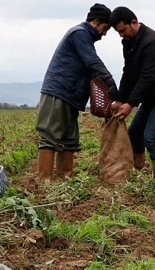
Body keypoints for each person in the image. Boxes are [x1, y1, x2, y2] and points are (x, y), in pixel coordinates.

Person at [36, 3, 119, 180]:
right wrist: (109, 81)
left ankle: (65, 179)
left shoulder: (85, 38)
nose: (104, 33)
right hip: (58, 91)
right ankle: (43, 184)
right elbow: (92, 61)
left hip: (71, 96)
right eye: (105, 28)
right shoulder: (79, 33)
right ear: (95, 22)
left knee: (69, 139)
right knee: (50, 137)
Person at [109, 6, 155, 180]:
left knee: (151, 137)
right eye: (118, 32)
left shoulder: (154, 42)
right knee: (134, 133)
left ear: (134, 23)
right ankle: (139, 173)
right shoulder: (128, 43)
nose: (121, 35)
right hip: (151, 97)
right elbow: (128, 73)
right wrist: (121, 99)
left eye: (123, 30)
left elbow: (147, 76)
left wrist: (130, 104)